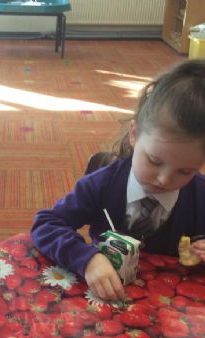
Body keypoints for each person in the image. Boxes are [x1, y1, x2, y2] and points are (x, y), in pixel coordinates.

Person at [31, 59, 205, 302]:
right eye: (154, 161)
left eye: (185, 171)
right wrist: (87, 259)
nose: (164, 179)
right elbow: (45, 224)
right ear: (134, 135)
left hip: (170, 306)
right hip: (105, 299)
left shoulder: (199, 194)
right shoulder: (102, 183)